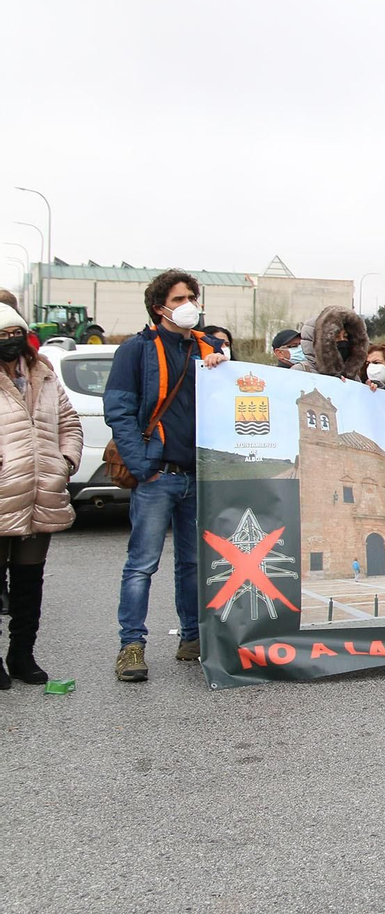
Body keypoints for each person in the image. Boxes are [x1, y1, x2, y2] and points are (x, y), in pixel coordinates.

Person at [104, 269, 227, 682]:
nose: (189, 303)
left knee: (193, 563)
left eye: (192, 295)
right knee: (142, 564)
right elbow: (119, 412)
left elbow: (238, 400)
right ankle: (131, 646)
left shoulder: (210, 348)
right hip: (158, 475)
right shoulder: (135, 350)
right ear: (159, 308)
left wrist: (222, 368)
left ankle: (191, 638)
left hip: (199, 475)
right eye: (179, 298)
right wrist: (143, 468)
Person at [0, 303, 83, 688]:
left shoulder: (45, 375)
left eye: (13, 334)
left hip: (42, 491)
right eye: (0, 336)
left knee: (29, 581)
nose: (9, 342)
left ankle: (22, 655)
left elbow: (70, 423)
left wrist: (65, 461)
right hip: (4, 492)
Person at [291, 305, 369, 380]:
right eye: (336, 337)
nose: (342, 341)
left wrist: (372, 390)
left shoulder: (353, 378)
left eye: (345, 337)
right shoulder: (299, 372)